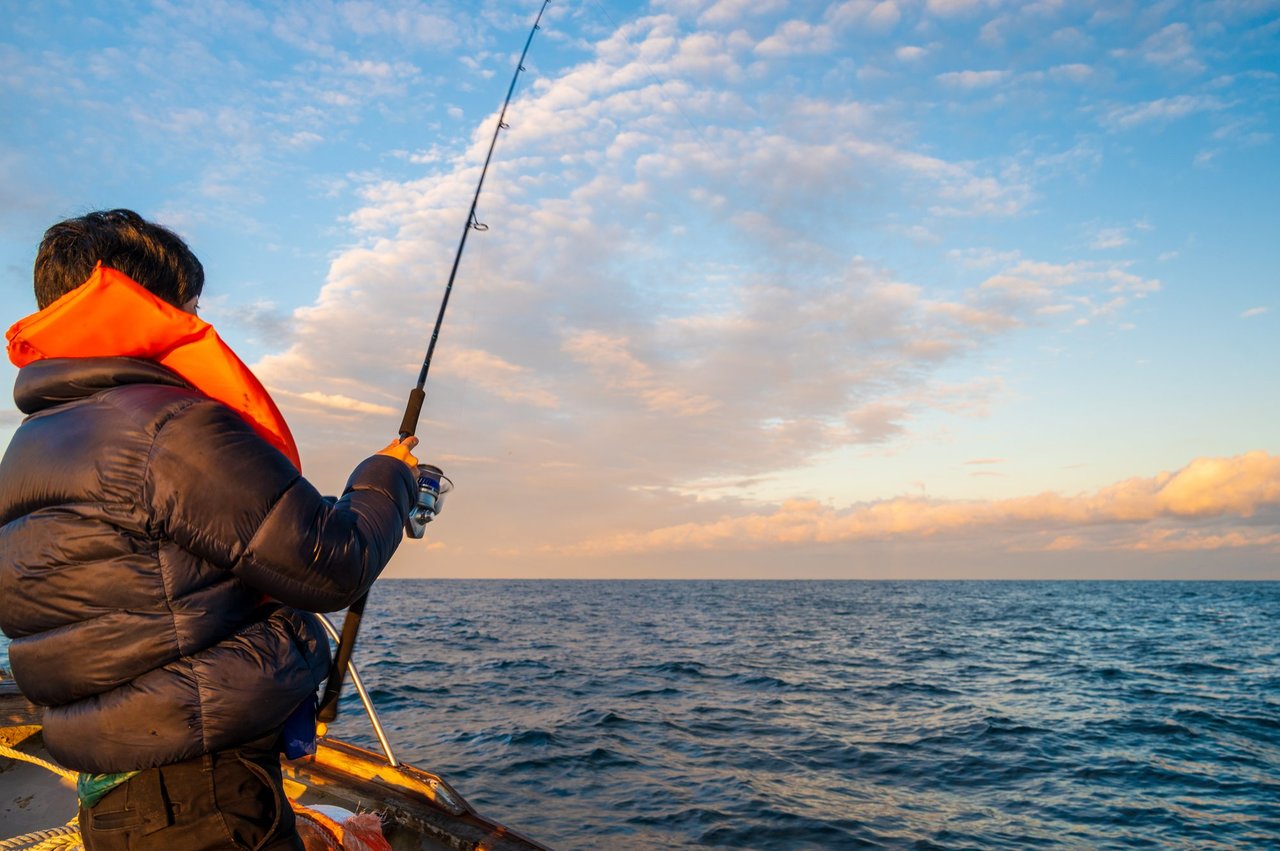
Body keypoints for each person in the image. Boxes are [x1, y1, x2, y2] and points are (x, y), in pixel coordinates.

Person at [0, 209, 418, 849]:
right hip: (199, 797)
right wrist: (389, 475)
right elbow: (328, 563)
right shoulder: (164, 427)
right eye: (191, 307)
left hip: (117, 793)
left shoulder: (34, 445)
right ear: (150, 307)